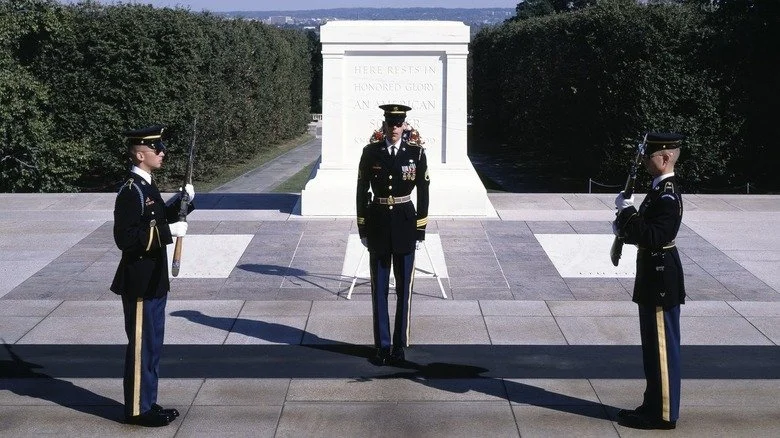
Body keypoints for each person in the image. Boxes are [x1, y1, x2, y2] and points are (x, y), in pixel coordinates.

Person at [111, 124, 194, 427]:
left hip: (154, 280)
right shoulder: (131, 191)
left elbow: (156, 219)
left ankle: (146, 401)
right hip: (140, 282)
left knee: (152, 346)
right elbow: (126, 238)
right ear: (140, 154)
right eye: (156, 149)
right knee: (141, 348)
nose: (162, 153)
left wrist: (184, 203)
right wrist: (168, 231)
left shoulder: (147, 185)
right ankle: (137, 410)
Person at [613, 132, 686, 430]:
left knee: (662, 350)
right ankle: (652, 404)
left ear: (665, 158)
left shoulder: (667, 195)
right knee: (652, 350)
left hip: (660, 278)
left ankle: (664, 415)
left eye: (649, 156)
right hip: (653, 276)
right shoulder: (657, 189)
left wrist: (628, 211)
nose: (644, 161)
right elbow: (641, 230)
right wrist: (623, 222)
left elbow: (655, 236)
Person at [356, 104, 430, 366]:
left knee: (403, 290)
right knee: (379, 291)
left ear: (404, 125)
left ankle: (399, 345)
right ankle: (382, 346)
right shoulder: (371, 152)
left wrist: (420, 228)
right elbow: (361, 190)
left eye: (399, 123)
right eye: (391, 123)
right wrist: (362, 227)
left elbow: (423, 192)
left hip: (405, 224)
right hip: (377, 224)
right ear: (385, 124)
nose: (395, 128)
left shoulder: (416, 153)